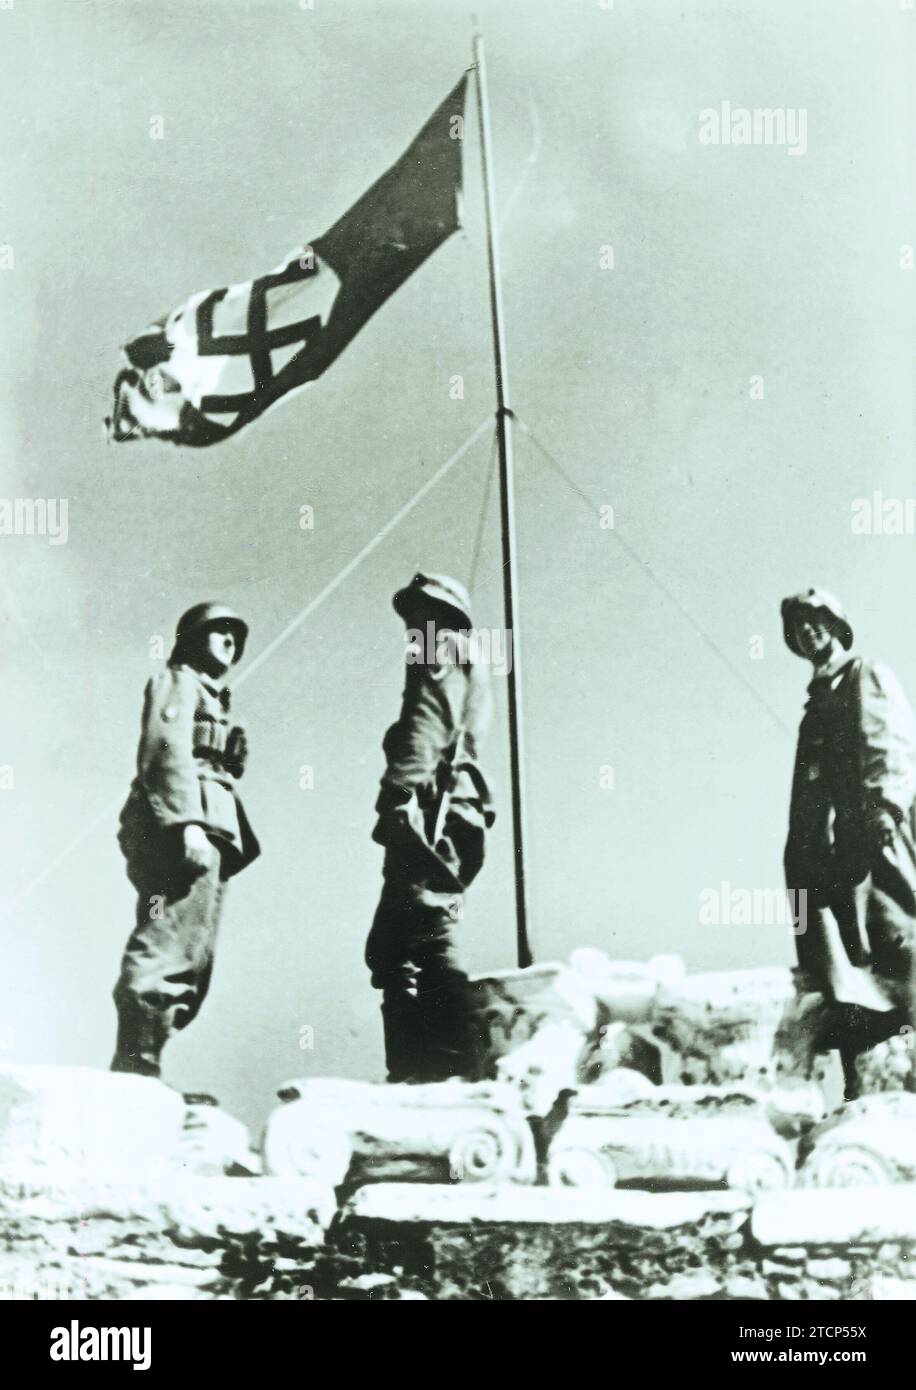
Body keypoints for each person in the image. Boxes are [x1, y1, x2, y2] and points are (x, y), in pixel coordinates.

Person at [111, 603, 260, 1079]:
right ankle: (135, 1067)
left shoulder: (214, 696)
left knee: (192, 953)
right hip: (183, 831)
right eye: (218, 631)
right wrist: (184, 824)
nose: (229, 640)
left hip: (211, 830)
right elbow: (164, 751)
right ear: (193, 639)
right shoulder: (177, 681)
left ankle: (147, 1063)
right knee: (165, 937)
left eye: (235, 634)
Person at [781, 587, 916, 1097]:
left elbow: (891, 741)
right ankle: (863, 1081)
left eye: (815, 621)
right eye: (798, 627)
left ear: (835, 625)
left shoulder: (865, 674)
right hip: (827, 855)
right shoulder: (815, 704)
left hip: (871, 837)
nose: (807, 631)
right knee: (839, 961)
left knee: (896, 943)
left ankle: (907, 1068)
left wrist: (885, 806)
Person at [366, 572, 495, 1084]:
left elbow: (424, 725)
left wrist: (399, 793)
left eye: (417, 610)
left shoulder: (433, 646)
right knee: (401, 940)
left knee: (422, 933)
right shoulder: (470, 655)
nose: (410, 624)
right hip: (456, 804)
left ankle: (448, 1065)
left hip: (429, 805)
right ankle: (428, 1067)